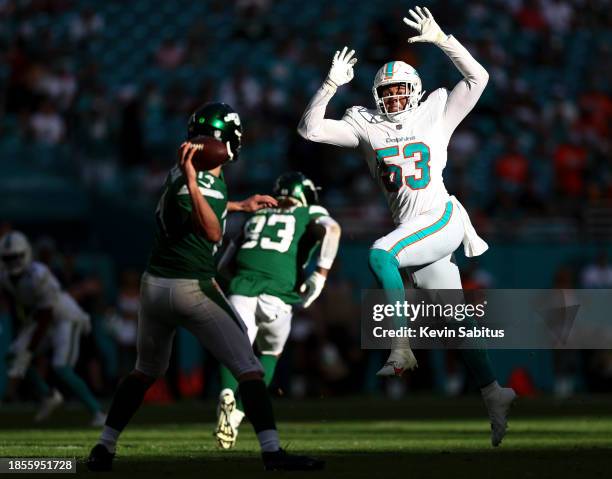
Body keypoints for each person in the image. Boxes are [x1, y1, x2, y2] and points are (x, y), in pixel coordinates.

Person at [297, 6, 515, 447]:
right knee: (455, 323)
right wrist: (330, 86)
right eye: (387, 91)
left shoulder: (436, 110)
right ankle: (495, 392)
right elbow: (309, 130)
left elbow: (479, 80)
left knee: (380, 253)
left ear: (415, 91)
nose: (394, 97)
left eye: (401, 90)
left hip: (443, 218)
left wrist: (441, 40)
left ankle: (400, 348)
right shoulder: (365, 123)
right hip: (416, 231)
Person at [86, 102, 324, 471]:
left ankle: (104, 446)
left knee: (144, 371)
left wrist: (239, 205)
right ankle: (273, 453)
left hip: (154, 287)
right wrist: (199, 184)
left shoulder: (178, 172)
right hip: (191, 287)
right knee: (249, 367)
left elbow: (200, 203)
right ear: (229, 140)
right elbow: (211, 227)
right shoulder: (200, 180)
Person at [215, 171, 341, 449]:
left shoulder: (255, 216)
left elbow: (223, 265)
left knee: (235, 354)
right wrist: (319, 276)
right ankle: (236, 417)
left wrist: (242, 282)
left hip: (242, 291)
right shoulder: (308, 211)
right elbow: (333, 229)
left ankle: (226, 393)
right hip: (278, 298)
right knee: (270, 353)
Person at [0, 231, 105, 426]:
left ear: (26, 254)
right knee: (13, 356)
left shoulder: (40, 275)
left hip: (65, 317)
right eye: (8, 258)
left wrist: (29, 351)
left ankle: (98, 412)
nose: (12, 262)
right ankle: (48, 395)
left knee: (60, 367)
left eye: (15, 257)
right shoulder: (4, 274)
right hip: (39, 316)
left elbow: (46, 316)